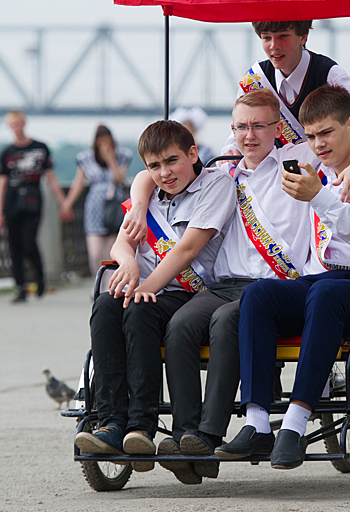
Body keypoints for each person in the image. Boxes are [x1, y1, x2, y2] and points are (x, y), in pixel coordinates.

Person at [122, 88, 350, 484]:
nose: (250, 135)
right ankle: (184, 435)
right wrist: (139, 204)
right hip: (222, 285)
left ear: (279, 128)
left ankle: (208, 435)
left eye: (259, 126)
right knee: (181, 326)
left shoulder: (299, 163)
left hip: (274, 291)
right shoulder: (220, 172)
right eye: (241, 127)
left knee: (226, 322)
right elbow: (148, 173)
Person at [215, 84, 350, 469]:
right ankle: (257, 423)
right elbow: (239, 149)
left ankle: (294, 422)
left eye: (326, 133)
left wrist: (320, 196)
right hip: (320, 283)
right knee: (259, 296)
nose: (318, 144)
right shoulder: (311, 173)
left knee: (325, 295)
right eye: (310, 136)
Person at [74, 120, 236, 475]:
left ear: (193, 155)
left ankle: (140, 425)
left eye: (172, 161)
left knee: (138, 310)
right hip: (146, 289)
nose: (164, 173)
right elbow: (121, 242)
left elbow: (189, 248)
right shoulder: (147, 198)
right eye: (154, 166)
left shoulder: (215, 186)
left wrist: (146, 287)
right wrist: (129, 261)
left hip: (187, 293)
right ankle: (111, 421)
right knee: (103, 306)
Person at [232, 20, 350, 201]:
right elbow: (237, 137)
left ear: (303, 37)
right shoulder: (254, 80)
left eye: (283, 36)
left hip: (328, 188)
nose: (274, 46)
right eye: (266, 38)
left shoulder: (330, 75)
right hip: (276, 191)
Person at [0, 111, 68, 303]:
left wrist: (63, 203)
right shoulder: (6, 153)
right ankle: (20, 288)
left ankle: (39, 277)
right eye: (13, 124)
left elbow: (51, 178)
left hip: (33, 201)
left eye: (19, 123)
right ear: (9, 126)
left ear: (24, 124)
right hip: (12, 201)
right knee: (14, 246)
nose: (17, 127)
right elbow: (1, 184)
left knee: (28, 243)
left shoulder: (40, 148)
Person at [62, 125, 133, 276]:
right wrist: (67, 204)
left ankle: (109, 288)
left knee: (111, 252)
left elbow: (120, 179)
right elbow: (78, 183)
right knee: (95, 253)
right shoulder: (86, 158)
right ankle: (97, 282)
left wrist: (110, 160)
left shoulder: (122, 156)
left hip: (114, 205)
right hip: (95, 206)